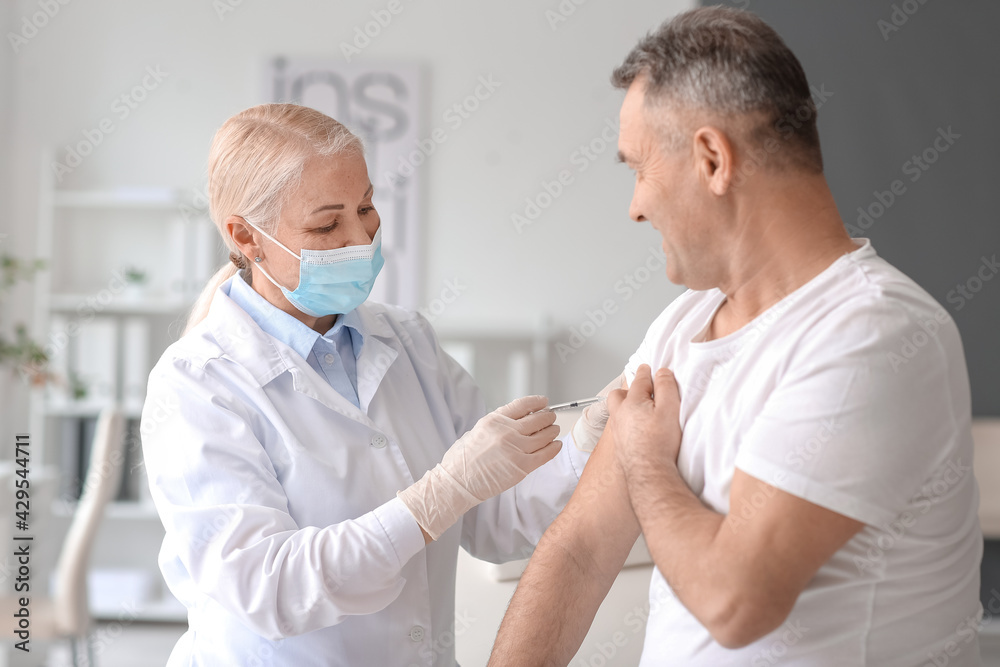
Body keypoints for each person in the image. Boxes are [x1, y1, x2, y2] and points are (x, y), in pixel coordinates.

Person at [489, 7, 982, 666]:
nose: (633, 205)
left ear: (712, 157)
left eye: (637, 167)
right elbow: (580, 551)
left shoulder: (876, 335)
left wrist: (642, 462)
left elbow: (735, 600)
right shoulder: (682, 325)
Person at [140, 104, 591, 666]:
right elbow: (270, 591)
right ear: (245, 237)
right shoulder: (198, 384)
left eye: (366, 206)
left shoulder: (407, 340)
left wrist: (588, 449)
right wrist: (436, 497)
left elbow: (495, 522)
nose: (361, 237)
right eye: (327, 224)